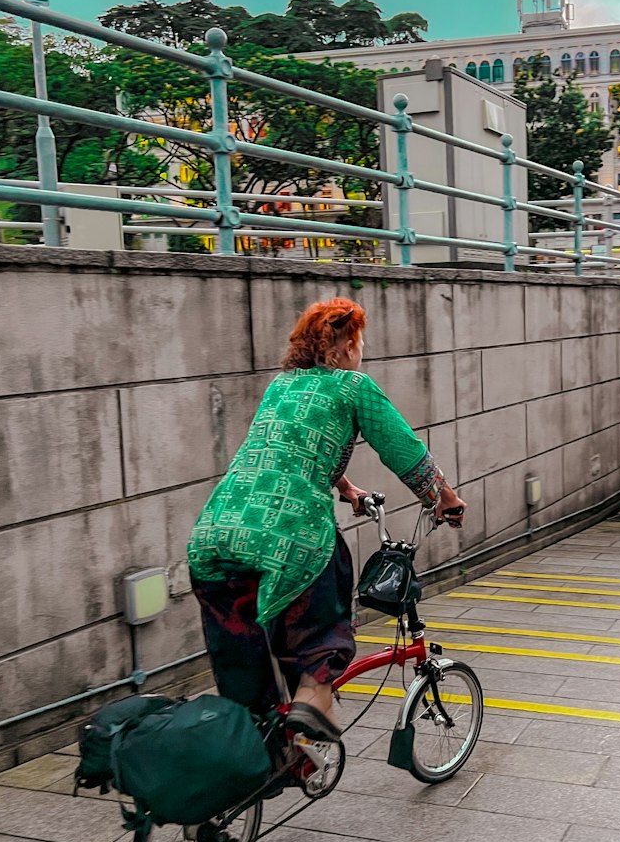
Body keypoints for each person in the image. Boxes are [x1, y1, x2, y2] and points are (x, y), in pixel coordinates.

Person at [187, 296, 466, 743]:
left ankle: (259, 752)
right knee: (327, 597)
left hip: (215, 531)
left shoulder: (281, 386)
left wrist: (345, 488)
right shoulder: (354, 386)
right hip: (289, 532)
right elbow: (403, 450)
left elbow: (293, 448)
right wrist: (443, 497)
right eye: (361, 342)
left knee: (244, 663)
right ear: (349, 344)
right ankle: (315, 697)